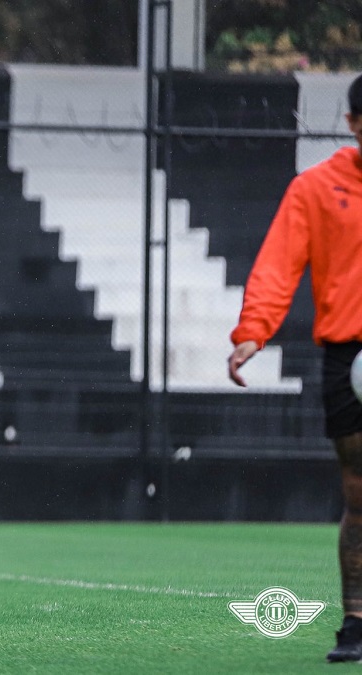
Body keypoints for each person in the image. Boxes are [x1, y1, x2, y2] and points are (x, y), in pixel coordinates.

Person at [227, 74, 362, 663]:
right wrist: (253, 331)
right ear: (355, 124)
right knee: (360, 492)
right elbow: (279, 267)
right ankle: (357, 622)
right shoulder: (316, 188)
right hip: (350, 359)